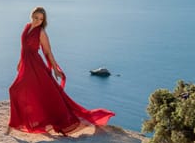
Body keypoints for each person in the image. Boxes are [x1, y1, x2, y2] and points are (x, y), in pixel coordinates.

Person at [8, 7, 115, 135]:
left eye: (41, 19)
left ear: (43, 21)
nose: (37, 21)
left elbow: (47, 52)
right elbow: (23, 47)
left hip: (35, 67)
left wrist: (55, 69)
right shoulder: (26, 27)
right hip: (27, 65)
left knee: (15, 90)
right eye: (36, 18)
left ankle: (14, 124)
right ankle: (25, 121)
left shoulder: (41, 32)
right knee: (26, 92)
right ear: (31, 16)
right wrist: (20, 62)